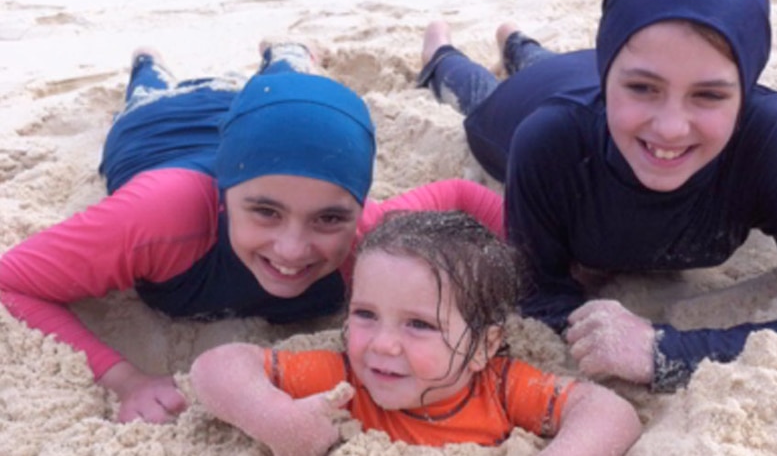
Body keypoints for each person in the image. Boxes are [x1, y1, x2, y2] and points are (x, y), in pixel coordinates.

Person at [0, 40, 503, 423]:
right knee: (150, 86)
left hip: (274, 124)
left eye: (329, 218)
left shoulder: (369, 235)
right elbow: (12, 280)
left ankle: (285, 56)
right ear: (222, 197)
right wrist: (123, 377)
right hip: (160, 126)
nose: (291, 249)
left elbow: (462, 197)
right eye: (265, 212)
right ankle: (150, 63)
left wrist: (539, 271)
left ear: (356, 210)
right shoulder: (159, 220)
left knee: (290, 83)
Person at [416, 0, 777, 391]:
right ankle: (442, 53)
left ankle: (518, 42)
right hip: (530, 100)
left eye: (709, 95)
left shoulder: (768, 135)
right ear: (612, 78)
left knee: (555, 63)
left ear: (746, 89)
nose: (670, 128)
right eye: (642, 89)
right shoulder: (549, 142)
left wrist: (664, 353)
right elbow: (538, 302)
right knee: (478, 96)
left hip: (606, 64)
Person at [191, 210, 642, 455]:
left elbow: (608, 410)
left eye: (419, 324)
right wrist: (274, 417)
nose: (382, 344)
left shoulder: (499, 387)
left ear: (484, 346)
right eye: (366, 314)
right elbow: (218, 365)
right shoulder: (346, 382)